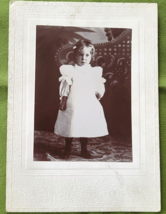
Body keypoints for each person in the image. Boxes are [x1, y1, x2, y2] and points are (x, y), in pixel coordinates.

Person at [54, 39, 108, 159]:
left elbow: (98, 84)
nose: (84, 58)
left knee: (85, 124)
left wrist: (98, 92)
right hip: (73, 102)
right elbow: (65, 85)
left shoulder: (94, 71)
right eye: (81, 55)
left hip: (87, 102)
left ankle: (84, 149)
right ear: (75, 55)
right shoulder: (71, 70)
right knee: (71, 124)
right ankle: (67, 148)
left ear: (92, 56)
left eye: (87, 55)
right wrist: (63, 99)